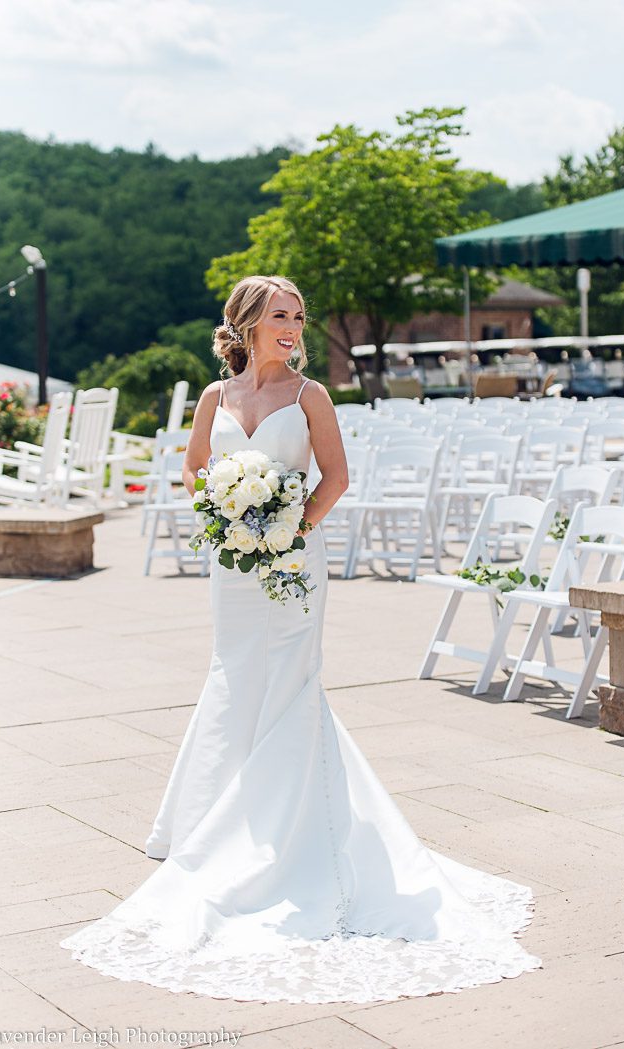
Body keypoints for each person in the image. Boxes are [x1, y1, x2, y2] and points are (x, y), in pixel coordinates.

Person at [59, 274, 543, 1004]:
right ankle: (213, 825)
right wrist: (225, 516)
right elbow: (195, 469)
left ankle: (289, 843)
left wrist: (288, 530)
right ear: (248, 323)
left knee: (290, 682)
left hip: (292, 564)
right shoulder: (215, 398)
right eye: (280, 316)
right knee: (233, 678)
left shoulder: (311, 397)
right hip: (231, 568)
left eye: (299, 317)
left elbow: (337, 477)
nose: (293, 327)